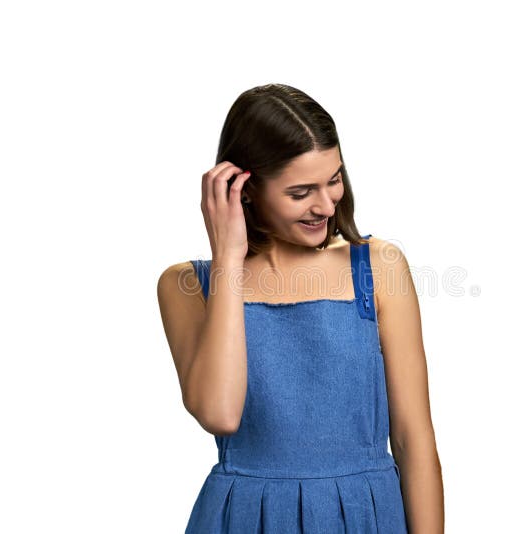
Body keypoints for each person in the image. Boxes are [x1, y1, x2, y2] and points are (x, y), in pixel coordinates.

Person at [157, 83, 444, 532]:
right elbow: (220, 413)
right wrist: (229, 259)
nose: (327, 204)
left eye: (334, 180)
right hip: (245, 518)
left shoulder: (379, 266)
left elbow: (413, 439)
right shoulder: (188, 285)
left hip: (365, 515)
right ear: (244, 190)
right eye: (300, 192)